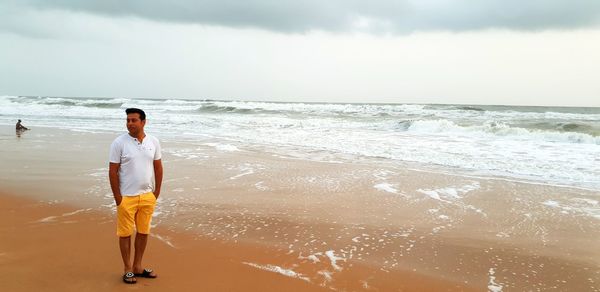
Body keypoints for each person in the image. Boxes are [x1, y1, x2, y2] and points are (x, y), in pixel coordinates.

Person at [108, 108, 163, 284]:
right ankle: (127, 269)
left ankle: (138, 266)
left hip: (147, 196)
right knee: (125, 234)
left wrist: (156, 193)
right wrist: (118, 197)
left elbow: (158, 167)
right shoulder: (119, 143)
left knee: (143, 232)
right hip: (127, 197)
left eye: (134, 120)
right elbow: (112, 171)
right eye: (128, 120)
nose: (130, 123)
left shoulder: (153, 141)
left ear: (143, 122)